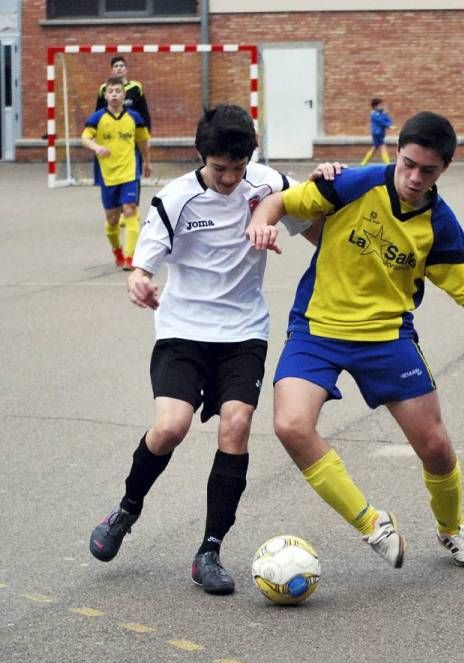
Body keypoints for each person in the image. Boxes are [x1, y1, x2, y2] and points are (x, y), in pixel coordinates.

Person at [246, 110, 464, 572]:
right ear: (397, 152)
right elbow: (281, 202)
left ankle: (453, 528)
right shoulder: (353, 183)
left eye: (427, 170)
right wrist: (262, 222)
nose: (414, 177)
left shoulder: (439, 221)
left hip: (387, 336)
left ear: (444, 170)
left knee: (435, 446)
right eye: (408, 164)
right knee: (291, 426)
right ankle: (372, 523)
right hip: (318, 327)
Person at [88, 104, 340, 595]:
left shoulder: (268, 184)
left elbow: (320, 227)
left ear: (251, 157)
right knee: (170, 427)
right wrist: (140, 282)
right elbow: (145, 265)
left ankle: (210, 549)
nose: (229, 178)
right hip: (182, 329)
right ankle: (126, 510)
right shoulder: (175, 198)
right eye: (219, 168)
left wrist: (328, 180)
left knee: (237, 424)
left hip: (243, 331)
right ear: (201, 156)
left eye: (238, 168)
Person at [82, 77, 152, 270]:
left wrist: (147, 161)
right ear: (105, 95)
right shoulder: (97, 118)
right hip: (108, 175)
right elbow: (85, 138)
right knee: (112, 219)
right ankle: (118, 252)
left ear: (123, 95)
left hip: (130, 172)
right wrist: (97, 147)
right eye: (110, 91)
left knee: (130, 210)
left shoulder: (135, 118)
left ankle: (131, 257)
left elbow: (142, 142)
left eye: (117, 91)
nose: (114, 94)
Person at [95, 56, 152, 241]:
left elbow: (144, 113)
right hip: (112, 142)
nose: (119, 69)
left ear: (126, 69)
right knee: (114, 177)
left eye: (122, 66)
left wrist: (146, 134)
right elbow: (97, 113)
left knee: (132, 175)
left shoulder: (136, 88)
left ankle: (132, 206)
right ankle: (118, 211)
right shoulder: (104, 89)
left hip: (132, 139)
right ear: (112, 70)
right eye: (116, 66)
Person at [360, 98, 394, 165]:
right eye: (380, 105)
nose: (382, 107)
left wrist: (387, 118)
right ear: (375, 106)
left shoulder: (381, 114)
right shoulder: (374, 114)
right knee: (382, 147)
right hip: (377, 133)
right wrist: (388, 125)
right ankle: (387, 163)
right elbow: (381, 121)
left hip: (380, 133)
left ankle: (364, 163)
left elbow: (389, 121)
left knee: (375, 148)